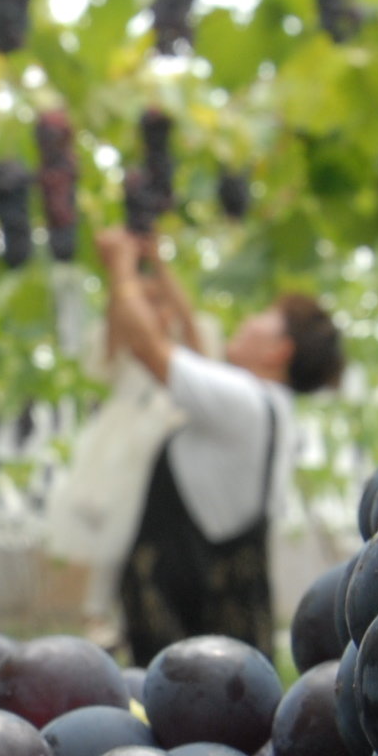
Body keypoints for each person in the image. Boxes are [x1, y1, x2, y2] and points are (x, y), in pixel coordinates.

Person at [96, 225, 345, 663]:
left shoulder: (240, 401)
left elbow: (148, 348)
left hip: (178, 605)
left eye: (262, 317)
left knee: (178, 710)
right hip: (230, 610)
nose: (247, 320)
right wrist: (162, 269)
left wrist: (120, 269)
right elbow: (195, 348)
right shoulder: (268, 405)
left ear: (277, 350)